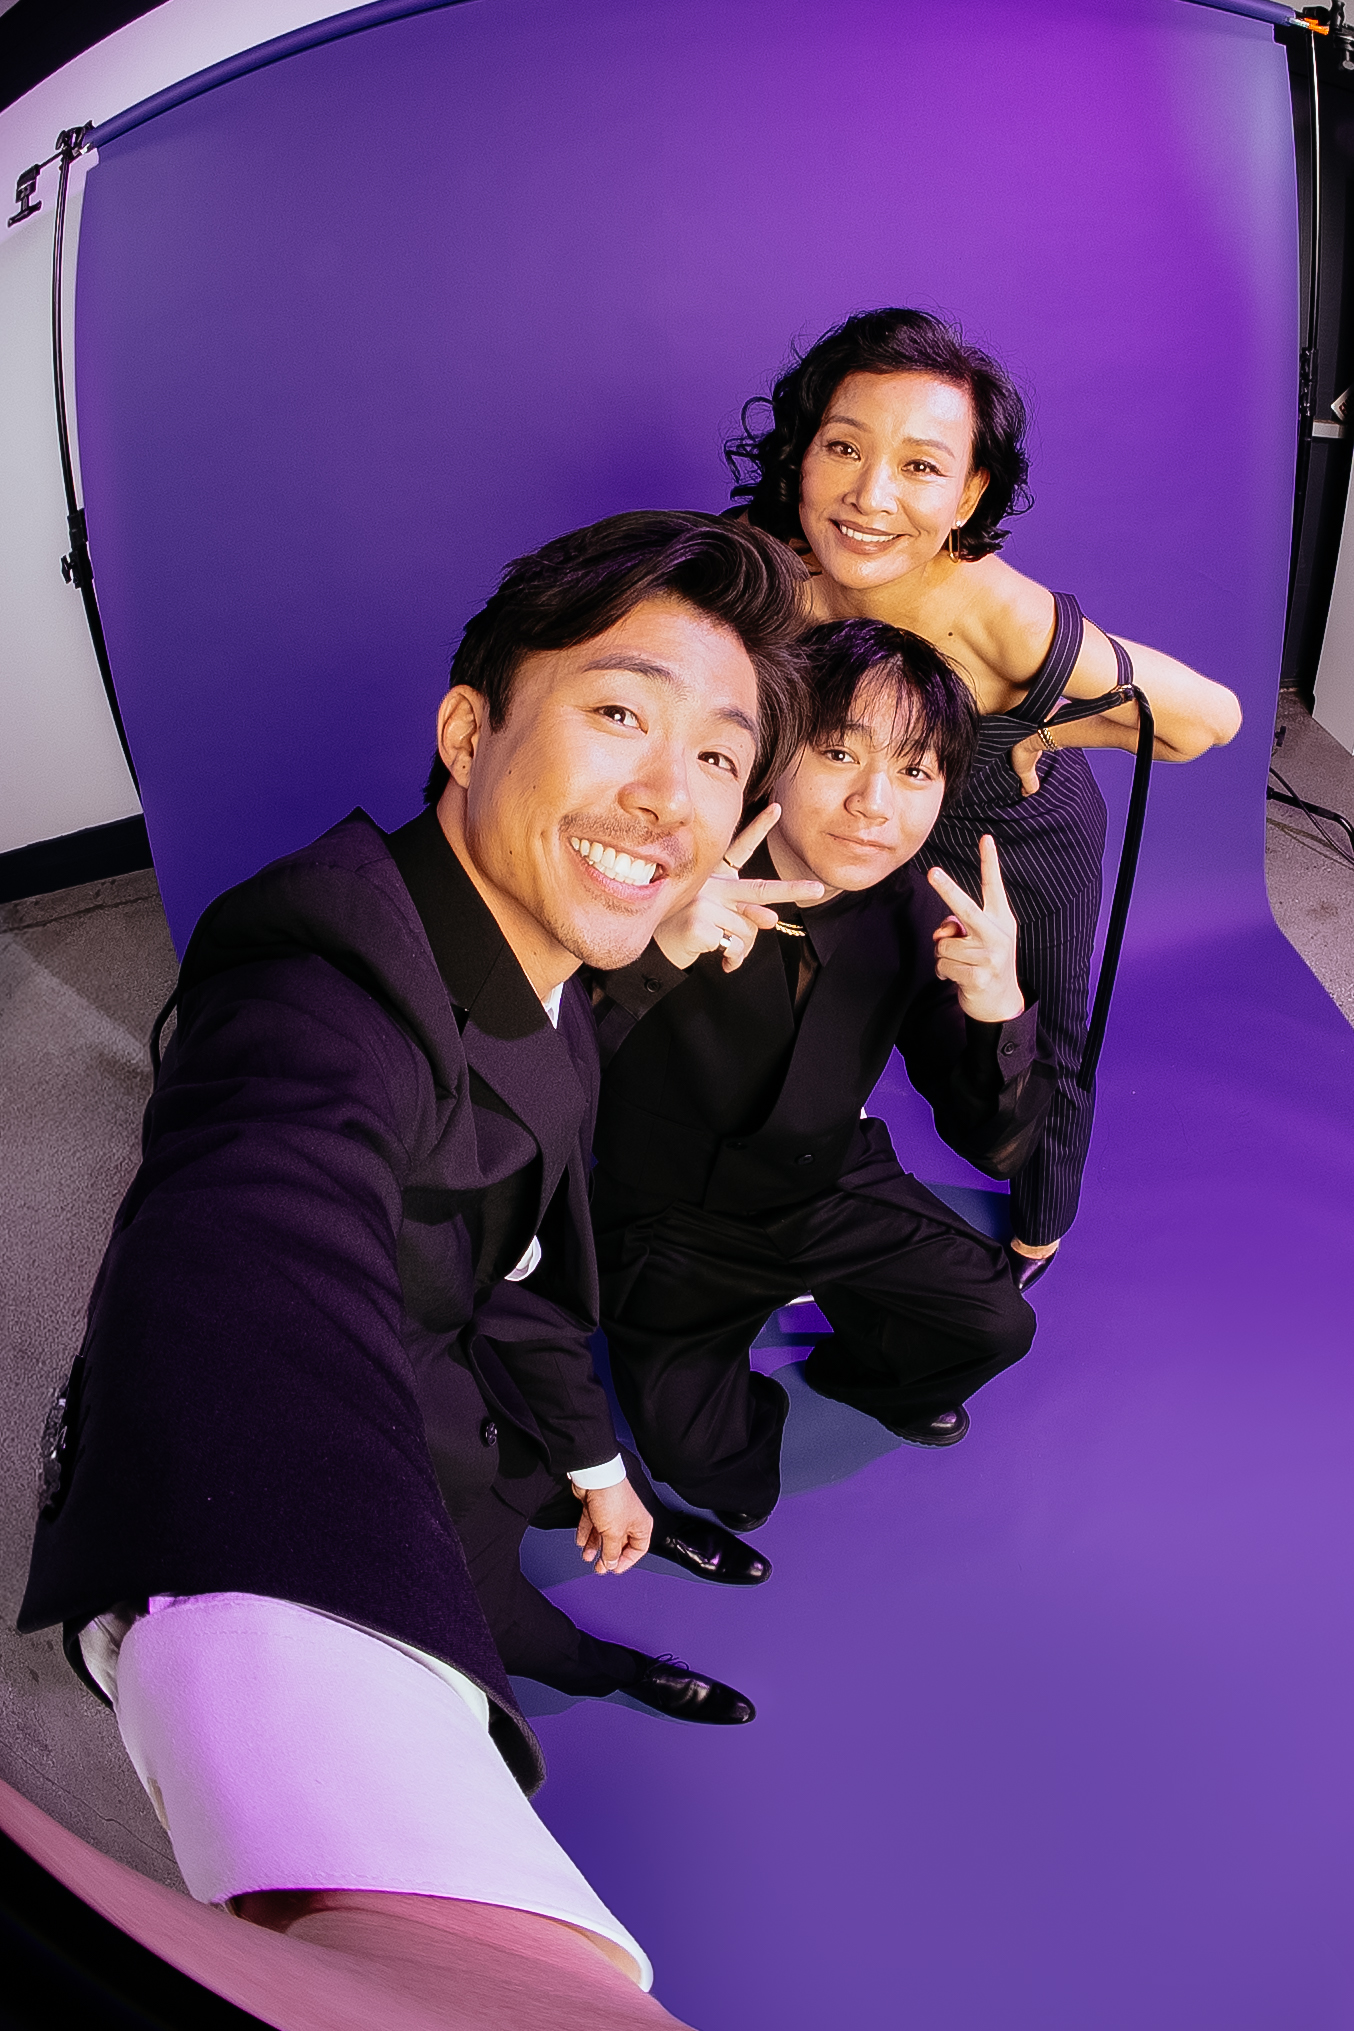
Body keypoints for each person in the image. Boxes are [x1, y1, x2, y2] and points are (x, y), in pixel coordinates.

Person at [16, 510, 814, 2004]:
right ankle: (558, 1655)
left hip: (494, 1374)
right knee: (469, 1604)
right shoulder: (321, 974)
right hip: (386, 1413)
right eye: (622, 710)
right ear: (468, 728)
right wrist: (429, 1925)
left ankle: (572, 1613)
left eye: (718, 757)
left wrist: (651, 953)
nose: (669, 795)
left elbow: (536, 1081)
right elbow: (250, 1234)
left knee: (528, 1544)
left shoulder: (548, 931)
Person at [725, 308, 1243, 1285]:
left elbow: (1207, 719)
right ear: (804, 451)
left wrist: (1025, 726)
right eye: (844, 447)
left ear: (968, 493)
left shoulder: (994, 611)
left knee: (1045, 1027)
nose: (869, 496)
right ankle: (787, 1192)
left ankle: (1039, 1231)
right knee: (792, 994)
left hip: (1007, 834)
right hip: (851, 814)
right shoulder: (757, 555)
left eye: (920, 466)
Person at [591, 618, 1056, 1531]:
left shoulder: (927, 911)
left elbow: (994, 1145)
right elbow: (533, 1065)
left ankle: (856, 1366)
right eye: (840, 753)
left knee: (996, 1324)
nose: (875, 804)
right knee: (716, 1474)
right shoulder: (655, 859)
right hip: (667, 1221)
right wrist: (652, 954)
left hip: (823, 1180)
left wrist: (999, 1011)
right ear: (772, 751)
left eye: (916, 771)